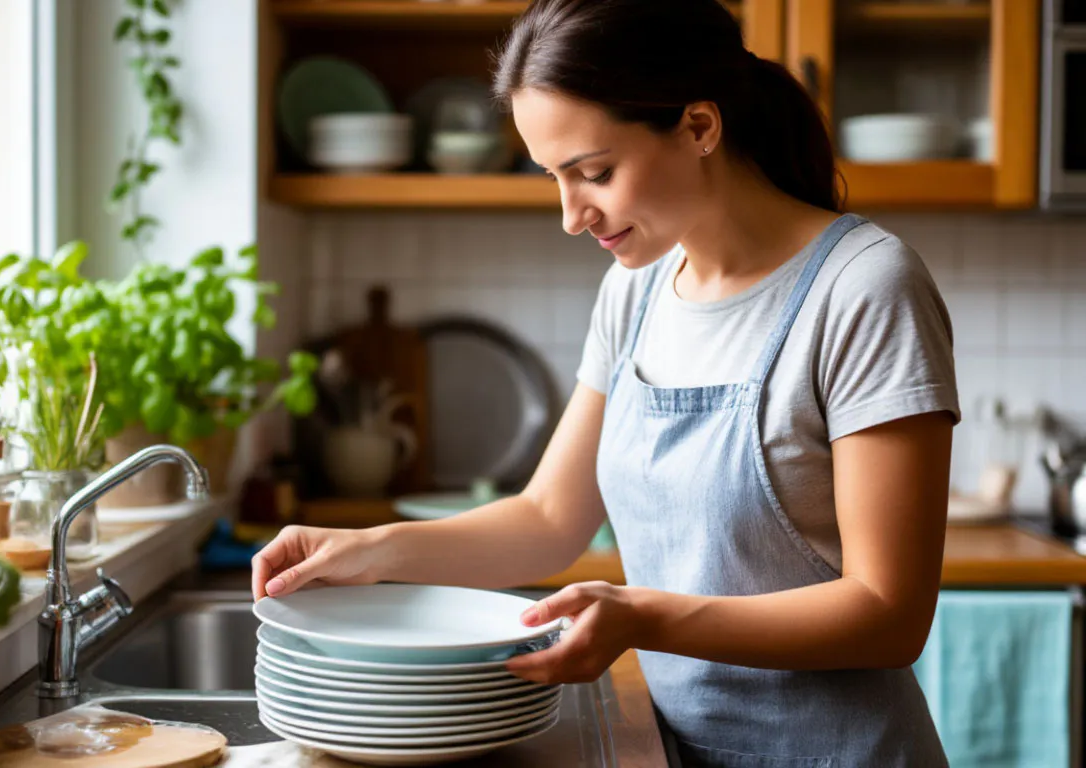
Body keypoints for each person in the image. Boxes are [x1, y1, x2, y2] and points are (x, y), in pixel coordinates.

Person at [252, 0, 960, 764]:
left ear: (698, 127)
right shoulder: (640, 290)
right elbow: (549, 518)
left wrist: (644, 617)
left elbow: (890, 615)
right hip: (676, 748)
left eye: (594, 172)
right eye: (554, 177)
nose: (570, 215)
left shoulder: (863, 288)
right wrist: (370, 550)